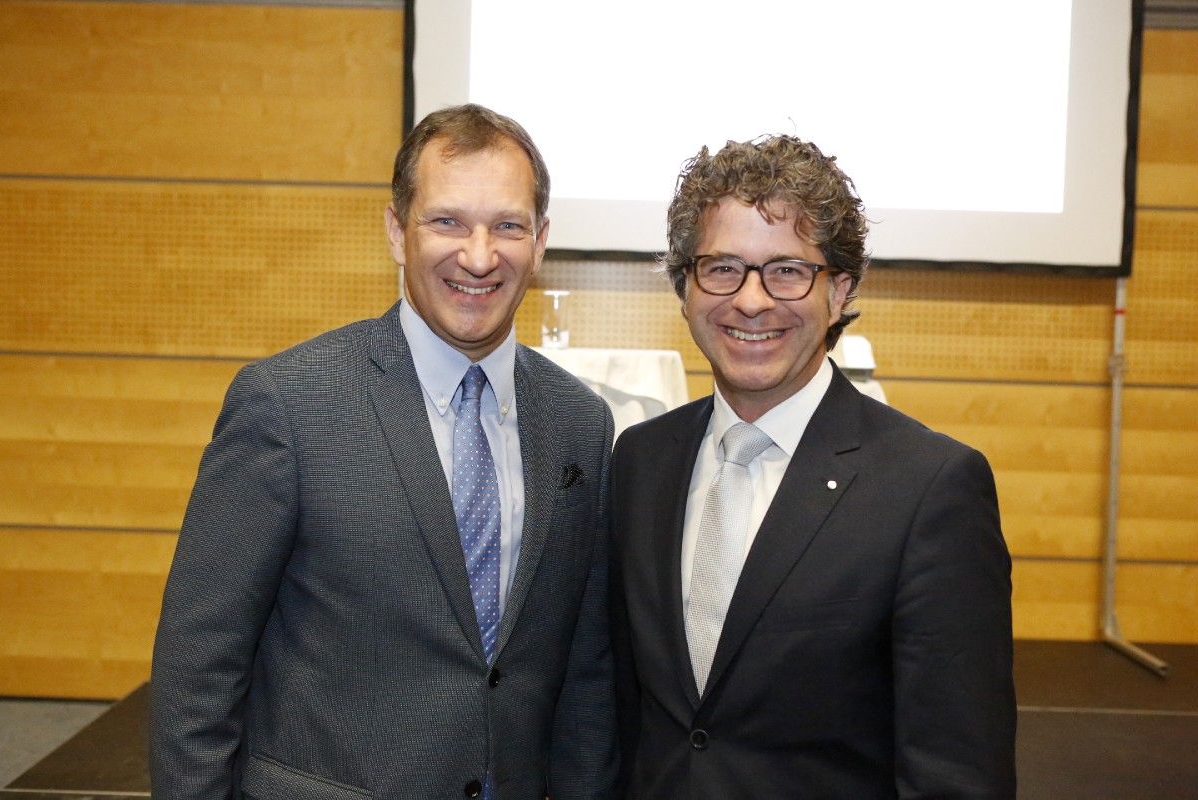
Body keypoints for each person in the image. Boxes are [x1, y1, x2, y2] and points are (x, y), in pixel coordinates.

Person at [151, 104, 618, 800]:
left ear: (541, 240)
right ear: (398, 231)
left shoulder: (579, 423)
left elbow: (585, 674)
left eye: (508, 226)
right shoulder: (288, 403)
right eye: (447, 221)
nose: (479, 256)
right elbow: (198, 666)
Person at [609, 135, 1016, 798]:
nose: (751, 300)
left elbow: (957, 769)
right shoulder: (640, 462)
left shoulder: (930, 490)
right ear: (685, 286)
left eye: (787, 271)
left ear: (840, 290)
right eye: (722, 268)